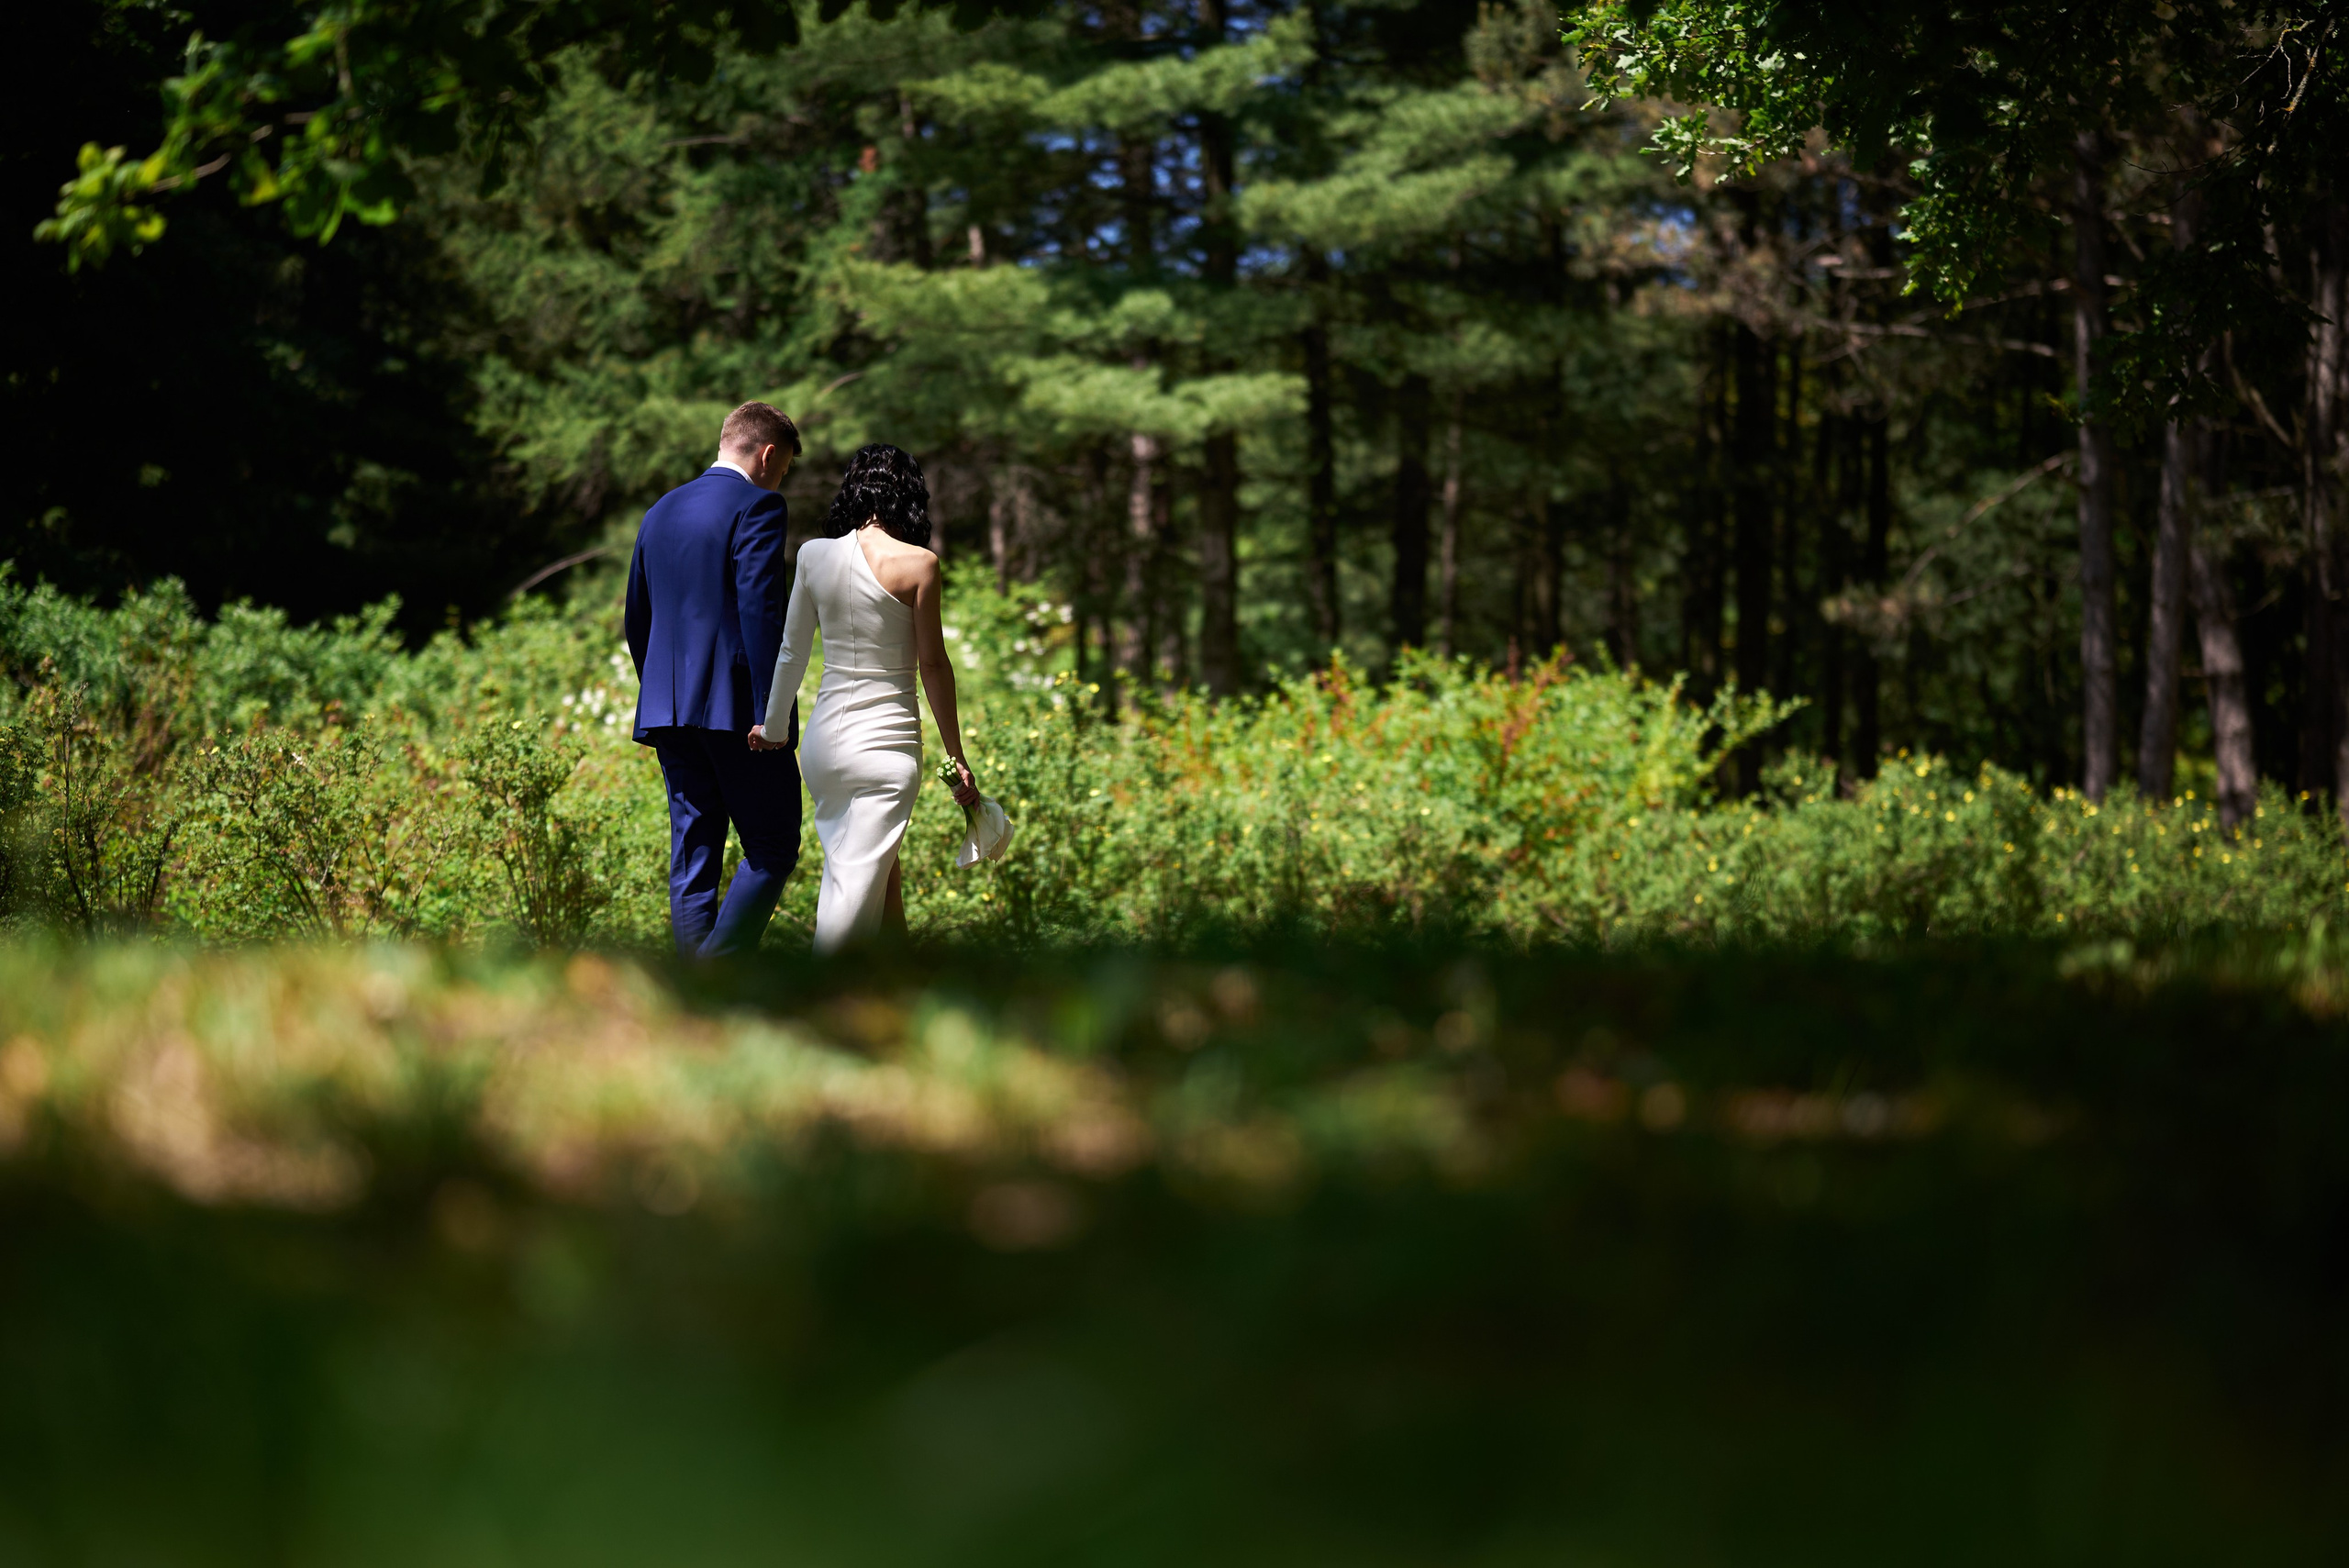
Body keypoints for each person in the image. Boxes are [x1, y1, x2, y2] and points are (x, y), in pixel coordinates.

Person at [751, 443, 979, 951]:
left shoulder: (813, 555)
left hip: (824, 749)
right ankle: (823, 991)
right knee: (850, 897)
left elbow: (792, 651)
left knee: (876, 874)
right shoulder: (920, 565)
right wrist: (956, 756)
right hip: (885, 751)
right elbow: (933, 664)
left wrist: (773, 728)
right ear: (910, 496)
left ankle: (900, 980)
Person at [625, 401, 804, 958]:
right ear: (768, 455)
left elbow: (637, 617)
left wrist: (662, 693)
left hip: (667, 710)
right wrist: (772, 714)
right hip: (737, 713)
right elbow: (761, 614)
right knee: (772, 846)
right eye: (784, 468)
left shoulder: (660, 510)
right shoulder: (759, 506)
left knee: (693, 853)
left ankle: (692, 990)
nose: (780, 479)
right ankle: (717, 973)